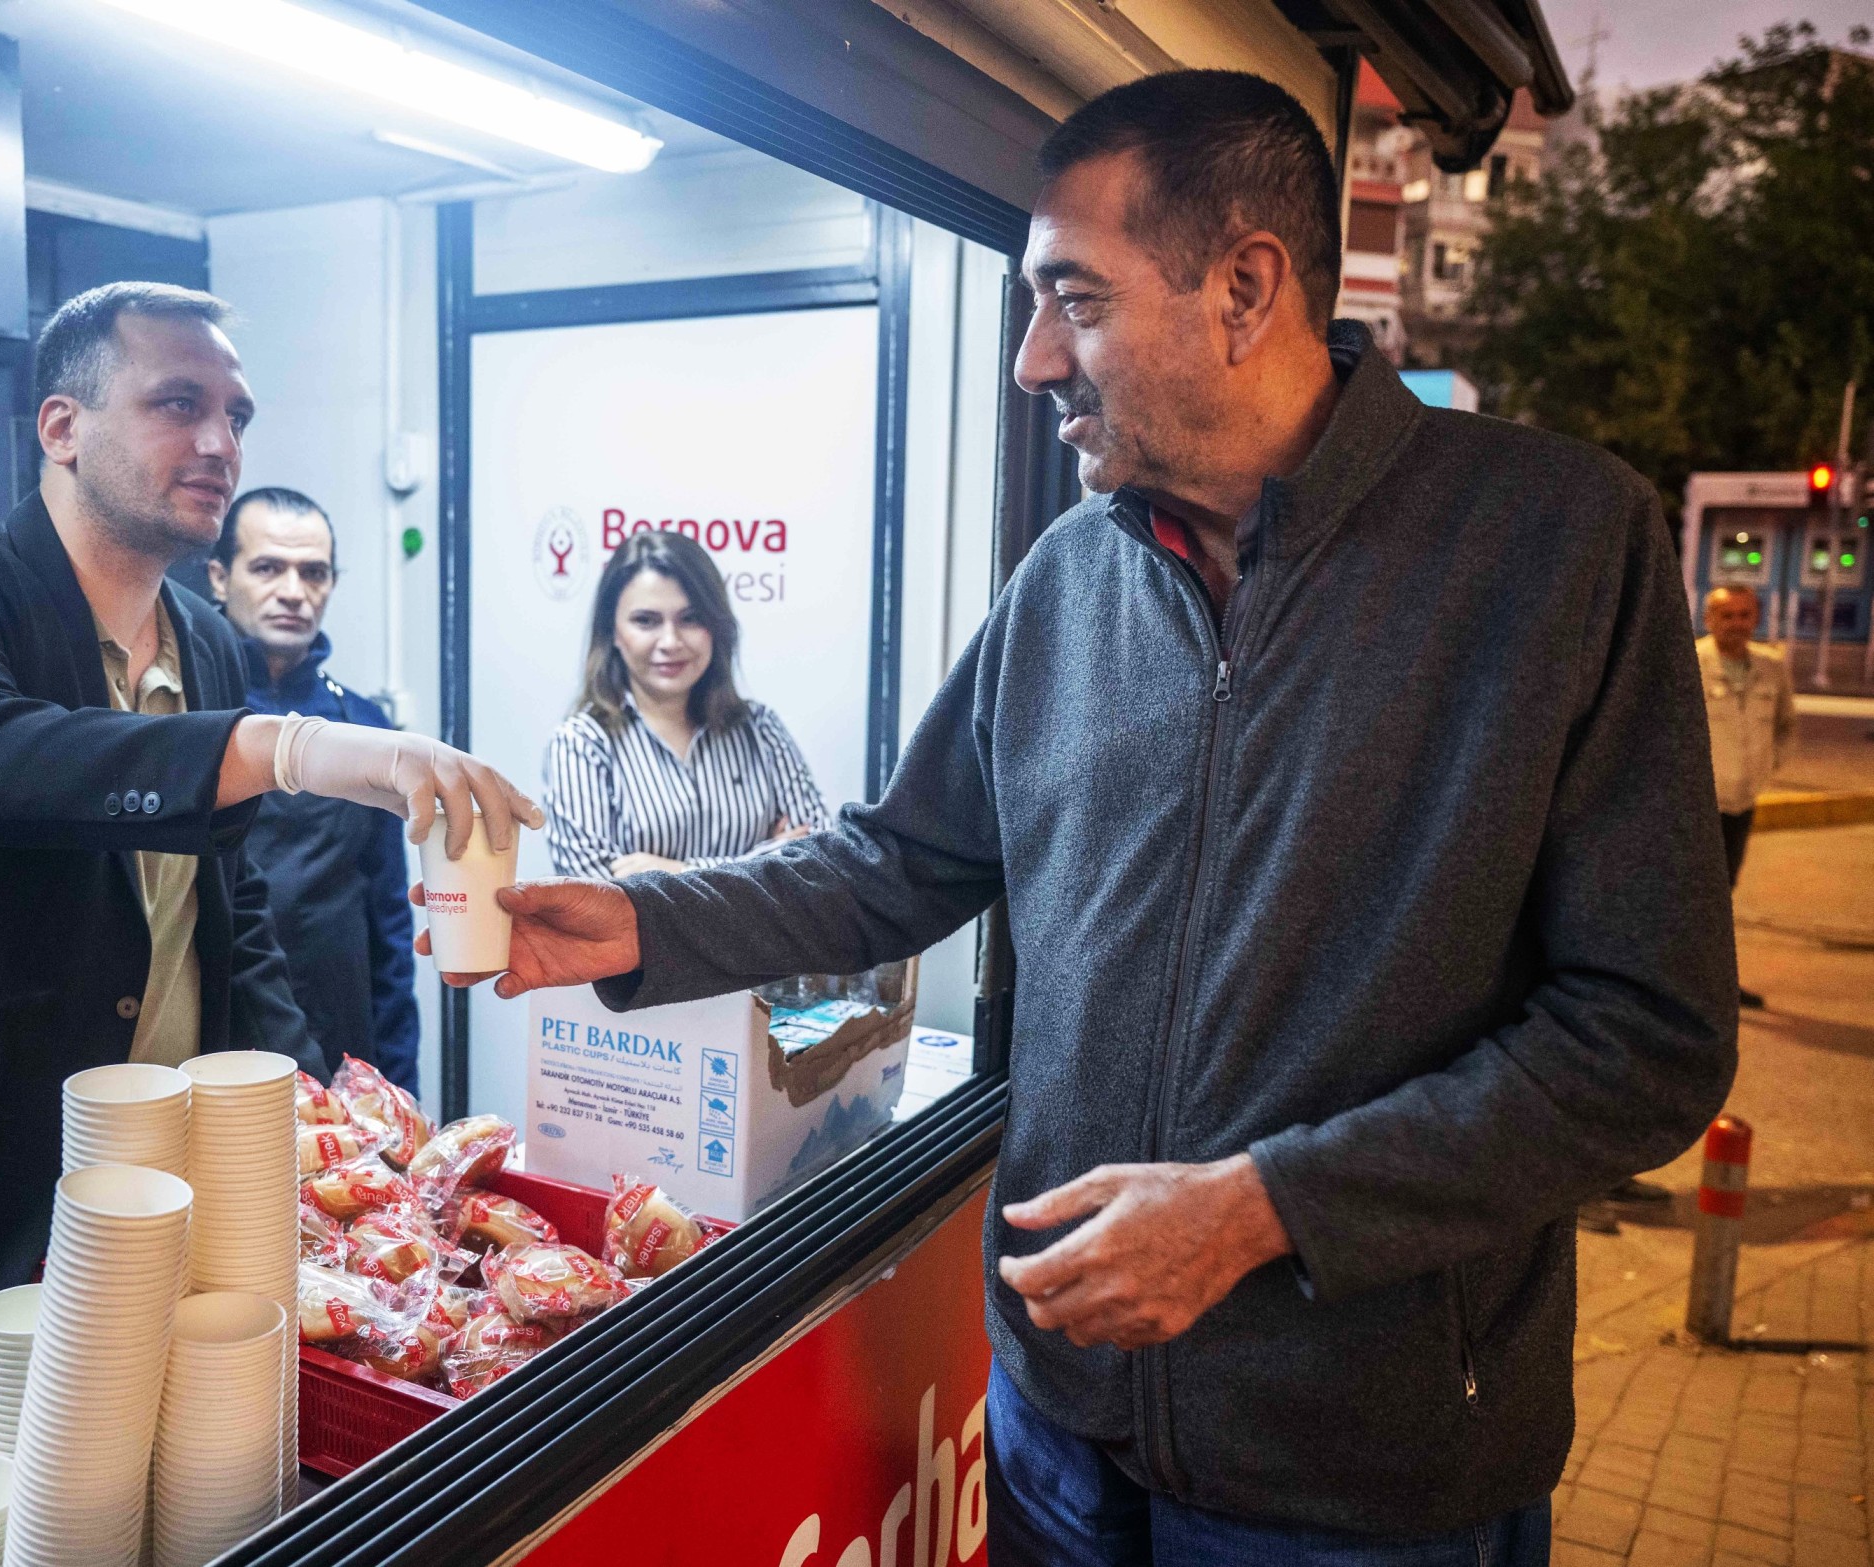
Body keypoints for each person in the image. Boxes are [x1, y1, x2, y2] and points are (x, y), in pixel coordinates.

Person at [433, 72, 1736, 1561]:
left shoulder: (1554, 548)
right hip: (1057, 1427)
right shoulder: (1067, 571)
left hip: (1358, 1473)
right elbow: (899, 861)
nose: (1030, 357)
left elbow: (1644, 1039)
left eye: (1074, 299)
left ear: (1245, 287)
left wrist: (1266, 1207)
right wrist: (650, 920)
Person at [0, 281, 537, 1510]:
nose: (219, 443)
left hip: (119, 1249)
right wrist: (294, 748)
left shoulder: (210, 644)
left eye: (235, 412)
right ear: (61, 425)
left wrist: (338, 1130)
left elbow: (228, 938)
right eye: (177, 402)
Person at [205, 486, 420, 1090]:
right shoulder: (186, 712)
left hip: (342, 1033)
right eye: (269, 568)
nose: (294, 592)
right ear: (220, 578)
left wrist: (400, 1085)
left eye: (314, 572)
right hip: (218, 1029)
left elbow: (390, 925)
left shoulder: (364, 727)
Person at [543, 528, 828, 881]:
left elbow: (819, 862)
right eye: (645, 621)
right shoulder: (582, 743)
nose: (670, 641)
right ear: (612, 632)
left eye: (690, 619)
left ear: (716, 625)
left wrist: (676, 871)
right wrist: (764, 862)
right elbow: (596, 902)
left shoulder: (761, 728)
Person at [1698, 583, 1797, 1008]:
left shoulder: (1772, 667)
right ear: (1709, 619)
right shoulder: (1690, 662)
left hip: (1742, 802)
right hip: (1697, 805)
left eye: (1744, 615)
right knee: (1695, 894)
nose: (1737, 624)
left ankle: (1714, 982)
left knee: (1724, 891)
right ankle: (1689, 983)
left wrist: (1766, 769)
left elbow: (1785, 725)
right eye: (1727, 616)